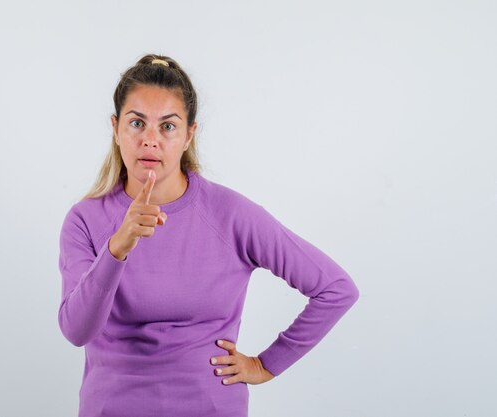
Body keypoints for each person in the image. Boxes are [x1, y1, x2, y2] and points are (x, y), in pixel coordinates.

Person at [57, 54, 360, 417]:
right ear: (116, 127)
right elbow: (77, 331)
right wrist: (117, 248)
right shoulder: (85, 220)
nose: (150, 140)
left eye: (167, 127)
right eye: (137, 123)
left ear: (188, 135)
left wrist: (266, 364)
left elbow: (336, 289)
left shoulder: (229, 214)